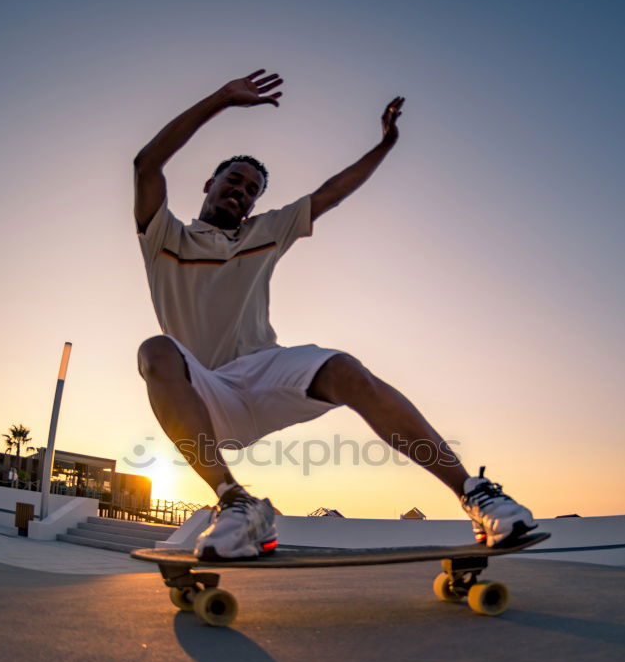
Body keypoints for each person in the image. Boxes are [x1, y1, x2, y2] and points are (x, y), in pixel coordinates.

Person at [134, 69, 536, 559]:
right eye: (233, 181)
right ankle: (236, 503)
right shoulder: (163, 237)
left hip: (263, 373)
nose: (241, 191)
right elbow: (146, 163)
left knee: (347, 369)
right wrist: (221, 98)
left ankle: (474, 494)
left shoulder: (263, 232)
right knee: (155, 350)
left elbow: (331, 192)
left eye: (251, 189)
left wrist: (385, 146)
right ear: (209, 184)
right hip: (205, 393)